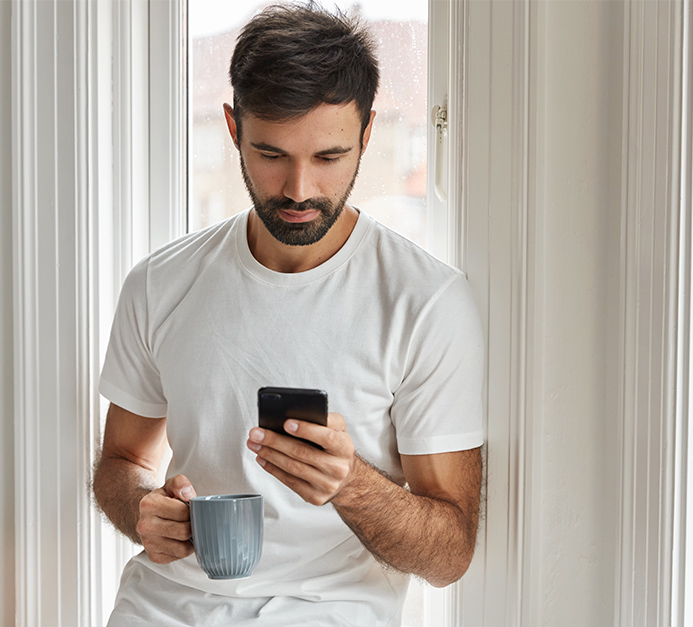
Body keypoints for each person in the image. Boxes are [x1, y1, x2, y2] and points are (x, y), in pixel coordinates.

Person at [93, 3, 485, 625]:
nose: (299, 189)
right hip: (163, 607)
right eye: (271, 154)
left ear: (366, 134)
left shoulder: (426, 302)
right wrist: (145, 508)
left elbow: (450, 553)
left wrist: (351, 483)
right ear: (232, 128)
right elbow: (122, 464)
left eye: (328, 158)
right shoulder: (159, 284)